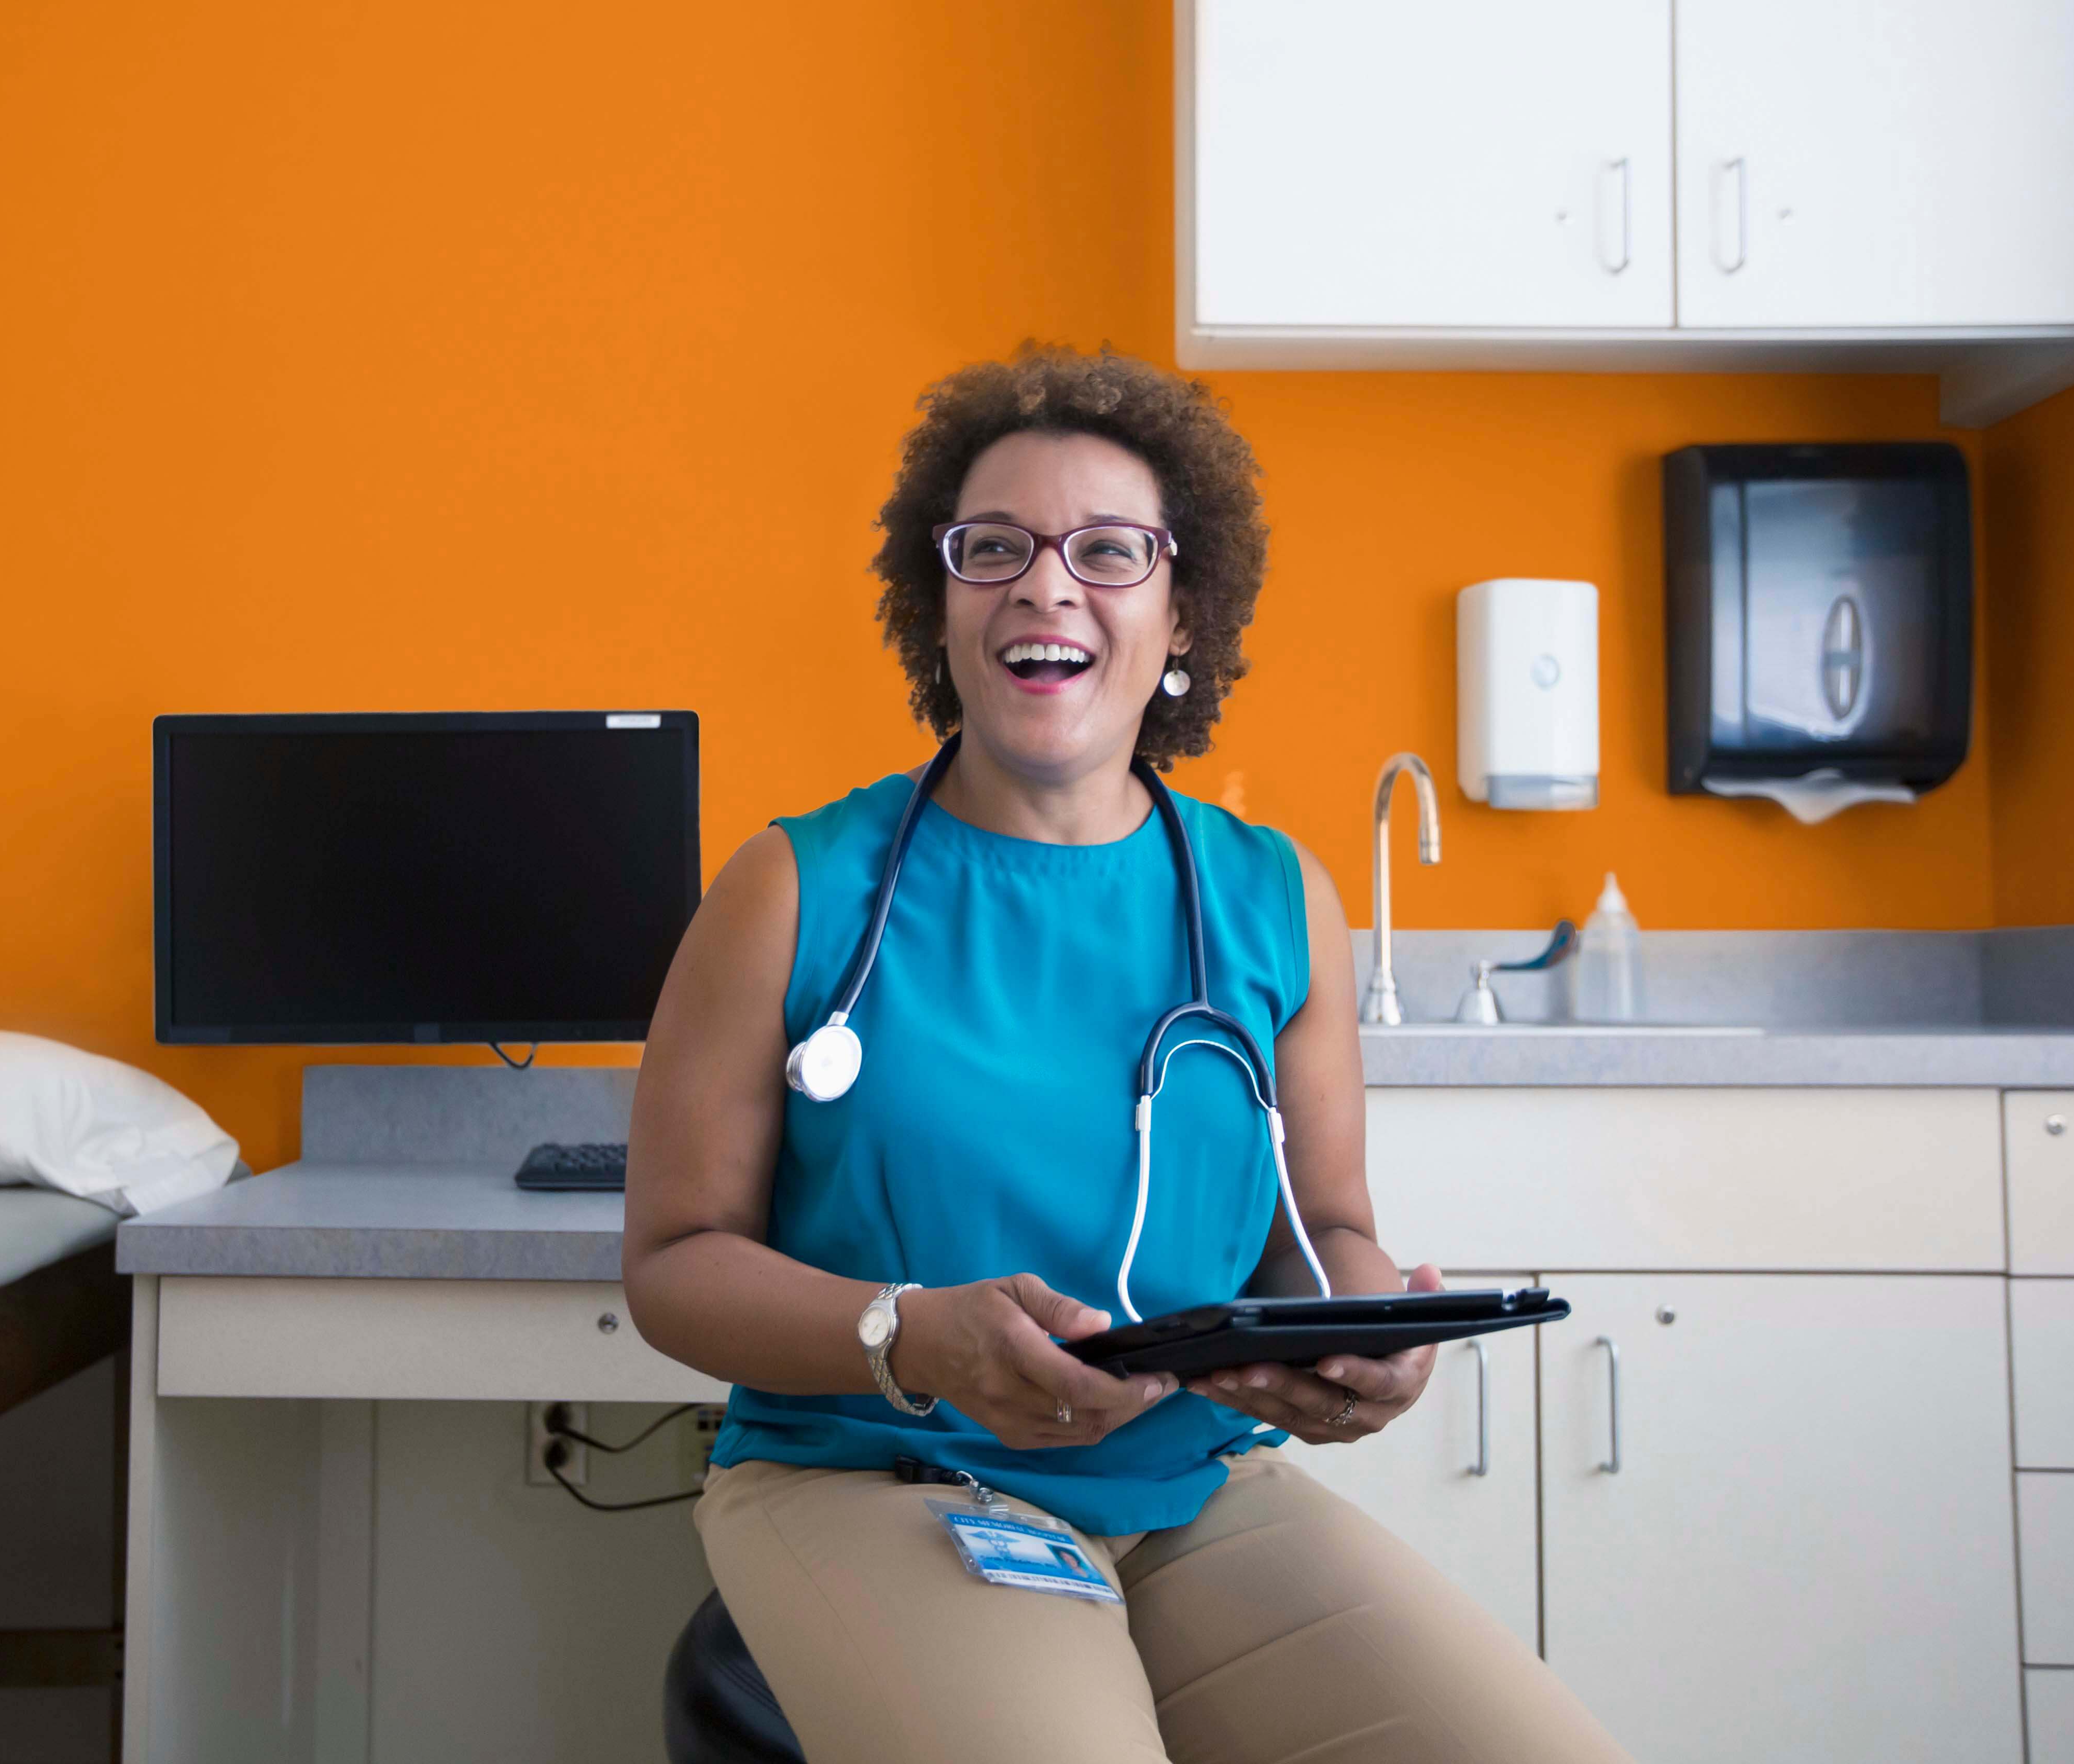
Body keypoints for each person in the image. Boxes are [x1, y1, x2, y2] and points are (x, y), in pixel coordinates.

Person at [623, 344, 1630, 1763]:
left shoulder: (1272, 898)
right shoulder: (795, 889)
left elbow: (1319, 1226)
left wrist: (1358, 1340)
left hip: (1191, 1487)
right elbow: (673, 1264)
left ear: (1179, 614)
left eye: (1108, 551)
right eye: (995, 549)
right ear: (941, 604)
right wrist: (908, 1334)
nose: (1045, 585)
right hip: (877, 1476)